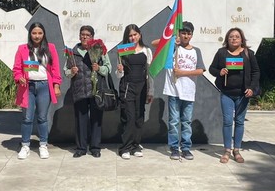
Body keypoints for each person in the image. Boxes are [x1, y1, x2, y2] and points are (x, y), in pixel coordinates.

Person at [152, 21, 205, 160]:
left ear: (192, 35)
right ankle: (174, 148)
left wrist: (182, 73)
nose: (186, 36)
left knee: (186, 121)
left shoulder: (196, 51)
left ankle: (186, 148)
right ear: (179, 34)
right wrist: (171, 40)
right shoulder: (173, 47)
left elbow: (200, 70)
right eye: (183, 33)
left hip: (188, 91)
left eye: (188, 33)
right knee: (174, 121)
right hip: (174, 90)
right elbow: (155, 43)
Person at [208, 28, 260, 164]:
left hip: (243, 95)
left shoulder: (248, 54)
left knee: (240, 121)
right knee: (227, 121)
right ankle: (226, 150)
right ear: (227, 39)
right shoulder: (221, 53)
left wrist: (252, 89)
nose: (234, 39)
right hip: (226, 93)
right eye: (231, 37)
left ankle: (237, 150)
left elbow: (256, 72)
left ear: (242, 39)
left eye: (237, 37)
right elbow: (211, 69)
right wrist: (220, 71)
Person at [13, 22, 62, 160]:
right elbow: (16, 69)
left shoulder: (50, 48)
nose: (37, 36)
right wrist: (19, 78)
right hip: (28, 87)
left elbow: (55, 69)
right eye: (34, 33)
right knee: (27, 118)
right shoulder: (22, 49)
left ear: (44, 34)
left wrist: (56, 85)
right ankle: (25, 145)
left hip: (44, 86)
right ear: (30, 34)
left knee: (42, 117)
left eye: (40, 33)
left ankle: (43, 145)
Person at [65, 25, 112, 158]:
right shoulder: (73, 52)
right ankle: (81, 148)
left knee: (96, 120)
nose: (84, 37)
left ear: (92, 37)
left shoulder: (99, 49)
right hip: (79, 90)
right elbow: (66, 71)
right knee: (80, 119)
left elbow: (108, 68)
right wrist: (71, 72)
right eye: (82, 34)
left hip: (96, 90)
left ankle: (95, 147)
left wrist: (99, 69)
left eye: (87, 35)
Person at [116, 24, 154, 160]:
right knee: (129, 117)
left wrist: (150, 91)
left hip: (142, 88)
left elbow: (150, 74)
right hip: (127, 87)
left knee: (139, 117)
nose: (133, 37)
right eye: (130, 35)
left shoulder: (146, 51)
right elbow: (119, 75)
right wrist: (119, 70)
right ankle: (125, 148)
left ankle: (135, 146)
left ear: (140, 35)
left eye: (135, 34)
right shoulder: (123, 51)